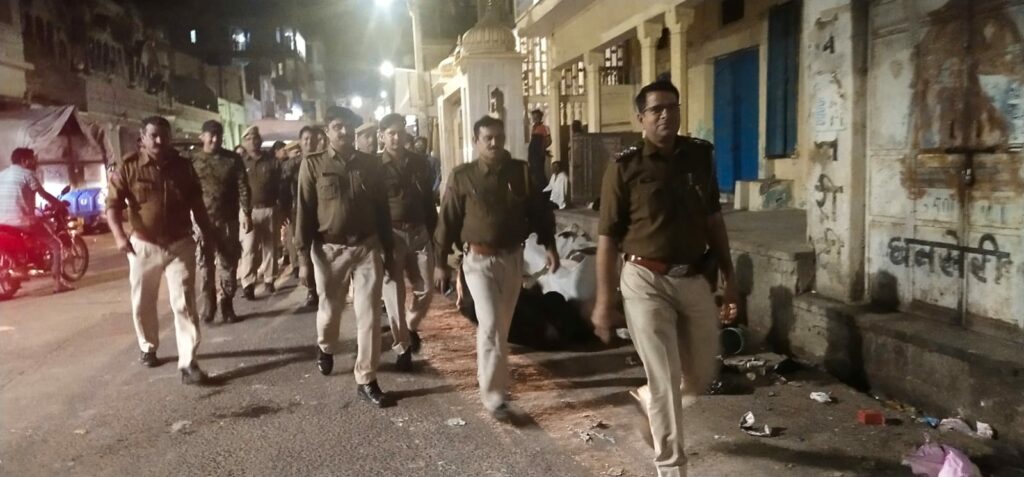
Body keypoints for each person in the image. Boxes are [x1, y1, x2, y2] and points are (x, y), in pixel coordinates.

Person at [591, 80, 739, 477]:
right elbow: (607, 240)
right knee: (665, 377)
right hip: (644, 280)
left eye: (672, 107)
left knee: (701, 375)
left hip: (693, 277)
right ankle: (672, 468)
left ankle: (648, 400)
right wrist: (604, 302)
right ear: (641, 118)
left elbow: (714, 221)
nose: (666, 115)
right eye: (656, 109)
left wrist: (730, 279)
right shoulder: (624, 167)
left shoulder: (699, 157)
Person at [434, 115, 559, 421]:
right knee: (490, 324)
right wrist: (440, 263)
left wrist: (550, 245)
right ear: (476, 141)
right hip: (478, 262)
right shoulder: (462, 176)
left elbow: (539, 211)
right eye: (487, 138)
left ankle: (490, 377)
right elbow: (447, 220)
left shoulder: (521, 172)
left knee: (502, 326)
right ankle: (494, 396)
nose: (494, 143)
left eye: (499, 137)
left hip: (513, 258)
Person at [105, 115, 218, 384]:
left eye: (163, 136)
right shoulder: (129, 167)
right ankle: (148, 346)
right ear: (142, 138)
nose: (159, 140)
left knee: (185, 303)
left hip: (180, 244)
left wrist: (209, 234)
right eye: (153, 135)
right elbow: (112, 206)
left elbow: (197, 204)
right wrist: (119, 237)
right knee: (143, 302)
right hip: (143, 245)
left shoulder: (184, 167)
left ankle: (188, 363)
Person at [295, 106, 395, 408]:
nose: (345, 131)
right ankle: (325, 346)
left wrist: (388, 250)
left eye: (349, 126)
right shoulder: (313, 165)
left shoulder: (371, 164)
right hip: (329, 250)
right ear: (327, 131)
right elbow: (304, 212)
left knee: (369, 315)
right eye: (338, 126)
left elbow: (383, 210)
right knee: (330, 310)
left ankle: (366, 378)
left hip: (366, 247)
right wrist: (303, 259)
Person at [377, 114, 438, 370]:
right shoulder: (375, 167)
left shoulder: (419, 162)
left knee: (426, 289)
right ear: (382, 136)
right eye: (391, 133)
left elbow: (428, 199)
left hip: (420, 232)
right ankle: (402, 348)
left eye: (400, 133)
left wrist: (434, 232)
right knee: (394, 295)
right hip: (392, 234)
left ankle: (410, 327)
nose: (396, 137)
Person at [189, 120, 252, 324]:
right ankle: (209, 303)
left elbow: (243, 186)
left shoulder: (232, 159)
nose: (215, 139)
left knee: (228, 263)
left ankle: (227, 304)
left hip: (228, 220)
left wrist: (247, 213)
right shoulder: (193, 160)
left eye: (219, 135)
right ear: (202, 136)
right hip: (201, 222)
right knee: (205, 265)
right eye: (211, 135)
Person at [0, 148, 73, 293]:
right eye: (33, 159)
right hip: (22, 221)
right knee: (56, 244)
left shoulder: (2, 175)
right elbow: (43, 194)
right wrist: (58, 204)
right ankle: (58, 283)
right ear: (24, 161)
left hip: (2, 221)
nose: (35, 162)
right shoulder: (28, 174)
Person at [238, 126, 282, 300]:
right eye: (248, 139)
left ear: (260, 140)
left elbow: (279, 183)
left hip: (270, 208)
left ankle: (269, 279)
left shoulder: (271, 161)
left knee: (270, 246)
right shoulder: (240, 163)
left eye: (255, 138)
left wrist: (281, 206)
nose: (252, 142)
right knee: (249, 248)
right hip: (248, 211)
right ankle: (248, 283)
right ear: (243, 142)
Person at [527, 109, 552, 190]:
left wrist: (542, 148)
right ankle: (537, 191)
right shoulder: (533, 128)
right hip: (532, 154)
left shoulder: (545, 128)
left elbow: (549, 141)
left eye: (537, 117)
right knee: (533, 172)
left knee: (540, 173)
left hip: (538, 154)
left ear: (540, 117)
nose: (535, 119)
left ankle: (545, 191)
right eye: (533, 117)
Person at [412, 136, 441, 205]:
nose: (419, 146)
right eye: (417, 144)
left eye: (422, 144)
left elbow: (438, 176)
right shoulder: (412, 162)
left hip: (431, 191)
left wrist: (434, 190)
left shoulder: (434, 161)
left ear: (426, 145)